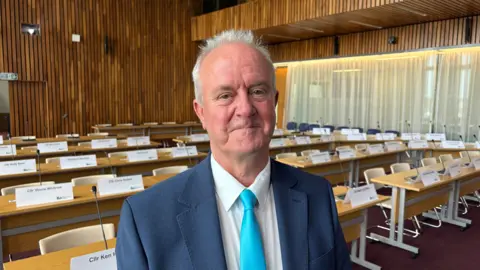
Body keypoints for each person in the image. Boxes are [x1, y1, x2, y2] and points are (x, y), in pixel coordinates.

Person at [116, 29, 351, 270]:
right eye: (225, 95)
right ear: (201, 112)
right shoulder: (145, 219)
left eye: (257, 91)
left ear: (275, 102)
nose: (245, 109)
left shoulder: (318, 195)